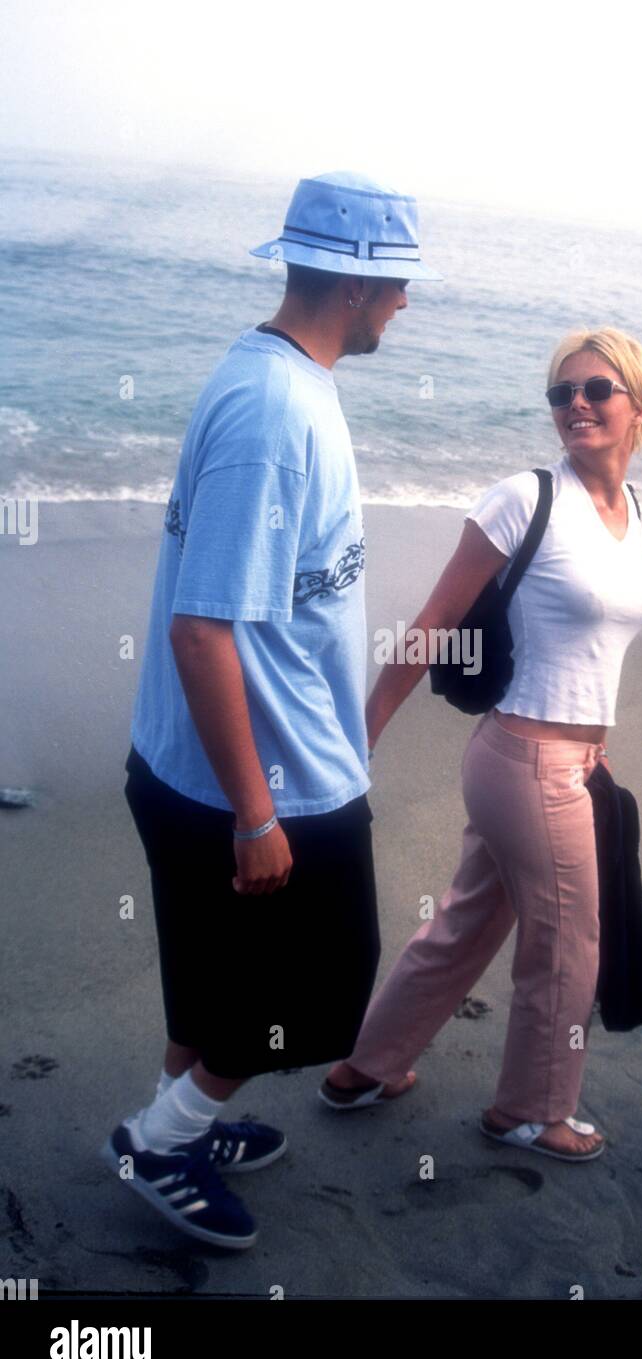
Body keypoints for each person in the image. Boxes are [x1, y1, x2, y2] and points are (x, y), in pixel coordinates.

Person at [101, 171, 442, 1249]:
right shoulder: (272, 408)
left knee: (215, 979)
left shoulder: (285, 379)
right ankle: (161, 1140)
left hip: (227, 765)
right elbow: (202, 630)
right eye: (396, 282)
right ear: (350, 282)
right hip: (257, 779)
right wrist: (256, 814)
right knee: (314, 985)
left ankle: (177, 1120)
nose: (404, 302)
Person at [320, 326, 642, 1162]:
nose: (574, 404)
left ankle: (363, 1069)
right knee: (565, 944)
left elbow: (585, 650)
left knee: (469, 922)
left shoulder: (627, 510)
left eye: (594, 389)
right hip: (523, 759)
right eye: (560, 393)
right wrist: (358, 735)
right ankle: (530, 1111)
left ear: (637, 404)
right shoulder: (523, 497)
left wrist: (596, 750)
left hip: (571, 762)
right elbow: (435, 623)